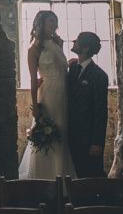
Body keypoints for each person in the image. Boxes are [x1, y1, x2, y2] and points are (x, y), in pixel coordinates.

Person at [18, 10, 75, 179]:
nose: (53, 25)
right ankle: (44, 178)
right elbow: (33, 79)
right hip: (48, 95)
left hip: (63, 94)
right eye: (50, 21)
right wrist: (35, 106)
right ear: (41, 24)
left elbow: (61, 67)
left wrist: (72, 61)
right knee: (49, 135)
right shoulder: (34, 49)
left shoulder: (57, 43)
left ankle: (62, 176)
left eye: (55, 21)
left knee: (62, 134)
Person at [67, 31, 109, 177]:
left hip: (88, 139)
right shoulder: (72, 69)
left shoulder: (99, 75)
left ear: (85, 48)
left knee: (90, 176)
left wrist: (97, 142)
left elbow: (100, 111)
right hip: (70, 136)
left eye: (77, 40)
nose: (74, 41)